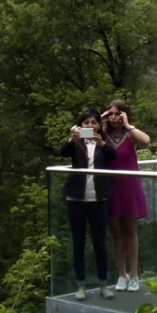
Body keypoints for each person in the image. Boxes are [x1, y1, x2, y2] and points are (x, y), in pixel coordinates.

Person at [59, 109, 118, 301]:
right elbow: (62, 152)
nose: (90, 126)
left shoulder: (103, 143)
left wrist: (100, 142)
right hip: (76, 199)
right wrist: (71, 137)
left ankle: (103, 284)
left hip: (98, 199)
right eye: (86, 123)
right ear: (80, 126)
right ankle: (81, 285)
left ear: (99, 126)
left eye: (93, 122)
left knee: (100, 243)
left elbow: (113, 155)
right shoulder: (76, 143)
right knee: (78, 243)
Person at [103, 100, 151, 292]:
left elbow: (146, 141)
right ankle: (121, 274)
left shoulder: (130, 135)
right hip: (110, 187)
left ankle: (134, 275)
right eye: (110, 114)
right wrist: (101, 118)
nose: (113, 118)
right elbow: (82, 133)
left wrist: (128, 124)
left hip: (130, 187)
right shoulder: (103, 135)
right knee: (116, 233)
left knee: (131, 232)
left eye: (117, 114)